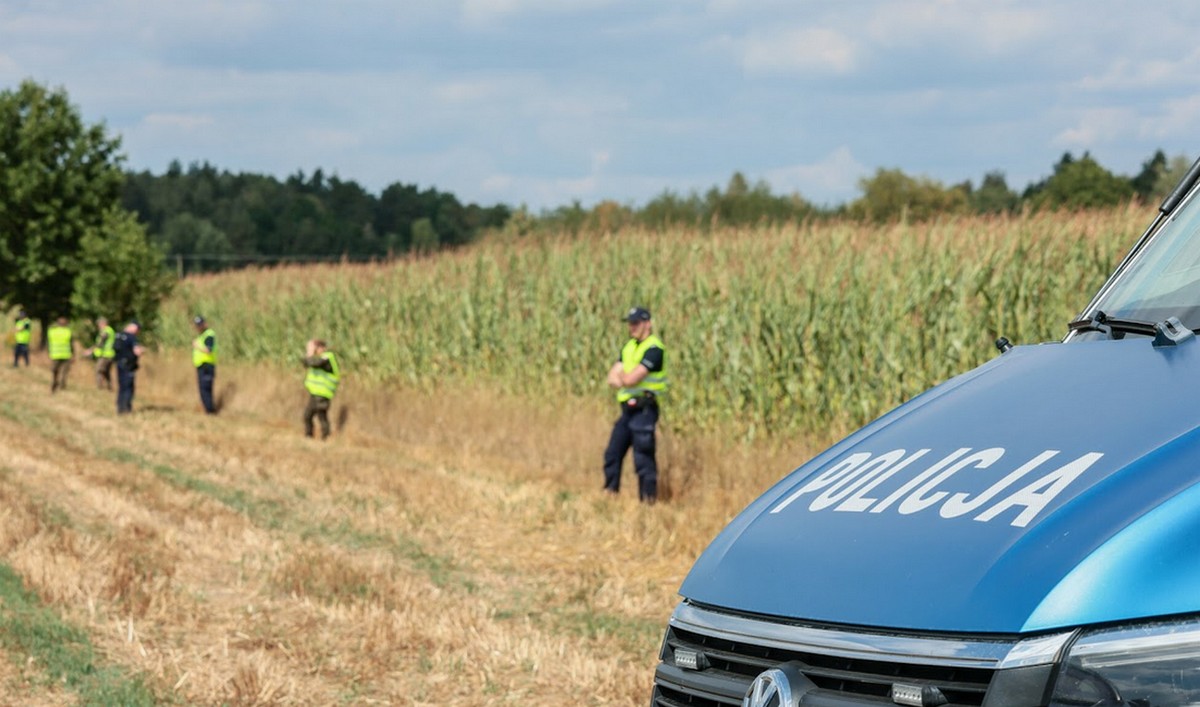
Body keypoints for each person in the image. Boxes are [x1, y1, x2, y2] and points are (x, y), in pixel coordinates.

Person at [603, 306, 669, 503]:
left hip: (644, 410)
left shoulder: (654, 349)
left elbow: (631, 379)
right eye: (630, 323)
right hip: (627, 411)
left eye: (636, 323)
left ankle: (647, 502)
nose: (631, 327)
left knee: (643, 458)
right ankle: (610, 494)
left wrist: (623, 377)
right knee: (612, 453)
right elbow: (611, 377)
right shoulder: (629, 347)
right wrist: (624, 378)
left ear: (647, 324)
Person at [302, 338, 340, 439]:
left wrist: (310, 352)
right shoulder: (318, 358)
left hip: (323, 393)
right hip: (315, 393)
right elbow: (306, 363)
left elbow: (315, 363)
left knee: (321, 415)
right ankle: (309, 436)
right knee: (307, 415)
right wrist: (309, 353)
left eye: (316, 348)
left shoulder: (327, 357)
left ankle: (325, 437)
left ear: (322, 347)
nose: (316, 350)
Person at [112, 320, 144, 414]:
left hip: (119, 363)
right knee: (128, 387)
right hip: (128, 365)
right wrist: (142, 350)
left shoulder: (118, 335)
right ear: (135, 328)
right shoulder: (131, 337)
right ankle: (126, 409)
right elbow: (137, 352)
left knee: (121, 386)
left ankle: (120, 407)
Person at [191, 315, 217, 414]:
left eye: (199, 324)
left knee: (205, 388)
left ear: (204, 324)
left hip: (207, 365)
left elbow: (208, 350)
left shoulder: (209, 335)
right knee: (203, 389)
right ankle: (208, 409)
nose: (198, 327)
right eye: (197, 325)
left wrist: (197, 346)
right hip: (201, 366)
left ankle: (210, 411)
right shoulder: (201, 335)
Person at [83, 316, 116, 390]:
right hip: (109, 354)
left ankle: (99, 387)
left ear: (103, 323)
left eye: (99, 324)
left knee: (98, 370)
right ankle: (109, 387)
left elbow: (101, 343)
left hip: (105, 355)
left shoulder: (106, 331)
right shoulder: (109, 330)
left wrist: (91, 350)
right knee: (106, 371)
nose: (98, 326)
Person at [47, 316, 74, 393]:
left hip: (55, 354)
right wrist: (73, 354)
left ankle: (55, 380)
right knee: (64, 371)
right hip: (66, 354)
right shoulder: (68, 332)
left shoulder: (52, 331)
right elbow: (71, 344)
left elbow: (48, 343)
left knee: (55, 370)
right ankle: (62, 385)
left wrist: (49, 352)